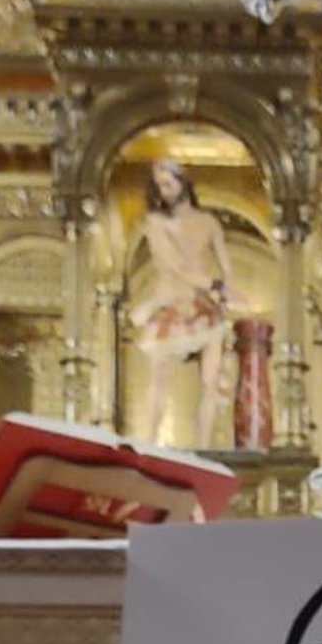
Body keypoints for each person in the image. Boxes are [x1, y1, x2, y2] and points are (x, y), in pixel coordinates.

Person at [130, 159, 235, 450]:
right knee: (160, 378)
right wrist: (217, 285)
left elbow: (226, 266)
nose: (164, 191)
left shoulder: (208, 222)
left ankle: (204, 448)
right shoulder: (156, 223)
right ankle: (150, 443)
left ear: (183, 182)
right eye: (159, 186)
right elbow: (175, 266)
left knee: (210, 382)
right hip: (170, 302)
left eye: (168, 183)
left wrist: (225, 292)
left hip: (203, 305)